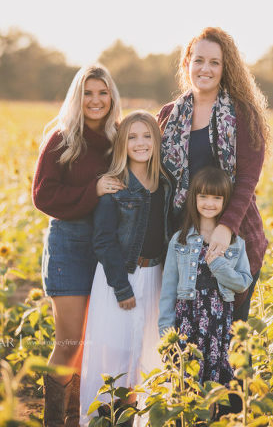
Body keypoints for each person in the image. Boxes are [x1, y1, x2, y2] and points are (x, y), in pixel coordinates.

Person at [32, 64, 124, 427]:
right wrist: (93, 191)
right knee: (70, 343)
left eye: (103, 93)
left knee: (94, 340)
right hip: (69, 246)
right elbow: (43, 195)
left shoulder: (119, 138)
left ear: (112, 97)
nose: (96, 100)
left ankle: (79, 419)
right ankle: (54, 421)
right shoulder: (62, 138)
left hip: (106, 250)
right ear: (77, 97)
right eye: (88, 93)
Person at [158, 27, 270, 322]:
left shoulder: (243, 114)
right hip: (184, 247)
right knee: (187, 343)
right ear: (186, 64)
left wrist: (226, 227)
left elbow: (247, 180)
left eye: (214, 62)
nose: (205, 69)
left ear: (225, 69)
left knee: (230, 345)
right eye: (198, 60)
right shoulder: (169, 115)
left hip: (233, 243)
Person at [79, 111, 173, 426]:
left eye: (147, 135)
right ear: (122, 143)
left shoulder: (166, 185)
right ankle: (107, 420)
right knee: (116, 354)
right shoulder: (115, 187)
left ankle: (138, 420)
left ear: (156, 141)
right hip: (119, 279)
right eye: (132, 137)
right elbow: (104, 241)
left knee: (145, 354)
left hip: (156, 276)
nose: (140, 143)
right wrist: (121, 286)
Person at [158, 167, 253, 385]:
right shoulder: (179, 240)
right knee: (186, 384)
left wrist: (218, 264)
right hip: (187, 324)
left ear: (225, 201)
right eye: (203, 196)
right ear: (194, 198)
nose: (209, 203)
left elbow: (243, 283)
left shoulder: (236, 243)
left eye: (216, 198)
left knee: (216, 387)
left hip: (219, 326)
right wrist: (165, 335)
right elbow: (168, 291)